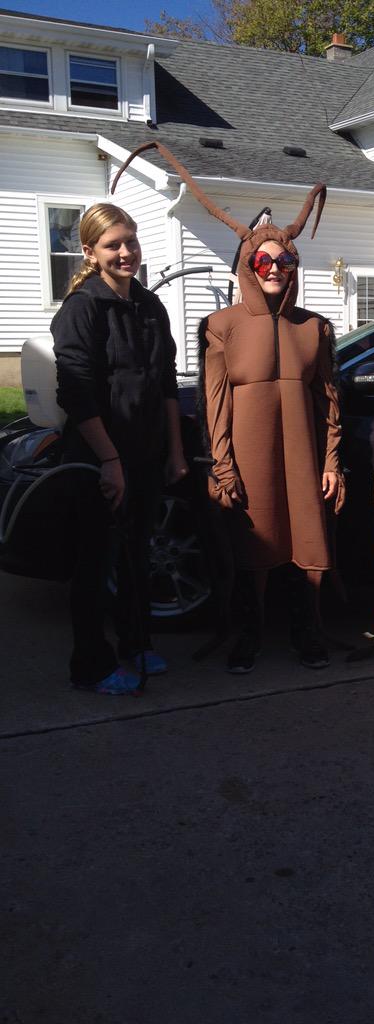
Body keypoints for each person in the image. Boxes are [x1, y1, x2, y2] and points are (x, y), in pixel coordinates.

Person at [109, 143, 345, 673]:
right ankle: (250, 634)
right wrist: (222, 464)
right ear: (248, 264)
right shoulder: (223, 326)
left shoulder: (315, 328)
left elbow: (328, 398)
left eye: (285, 259)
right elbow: (214, 402)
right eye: (264, 260)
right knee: (252, 550)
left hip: (304, 456)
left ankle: (310, 631)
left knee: (309, 545)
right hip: (249, 453)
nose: (276, 268)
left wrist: (332, 461)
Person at [51, 202, 187, 695]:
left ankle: (135, 643)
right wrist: (109, 462)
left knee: (136, 556)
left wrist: (173, 453)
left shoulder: (149, 306)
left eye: (130, 241)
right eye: (113, 245)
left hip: (146, 454)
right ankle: (91, 665)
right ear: (90, 252)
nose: (126, 252)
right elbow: (76, 393)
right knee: (95, 564)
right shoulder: (82, 308)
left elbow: (166, 384)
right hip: (97, 461)